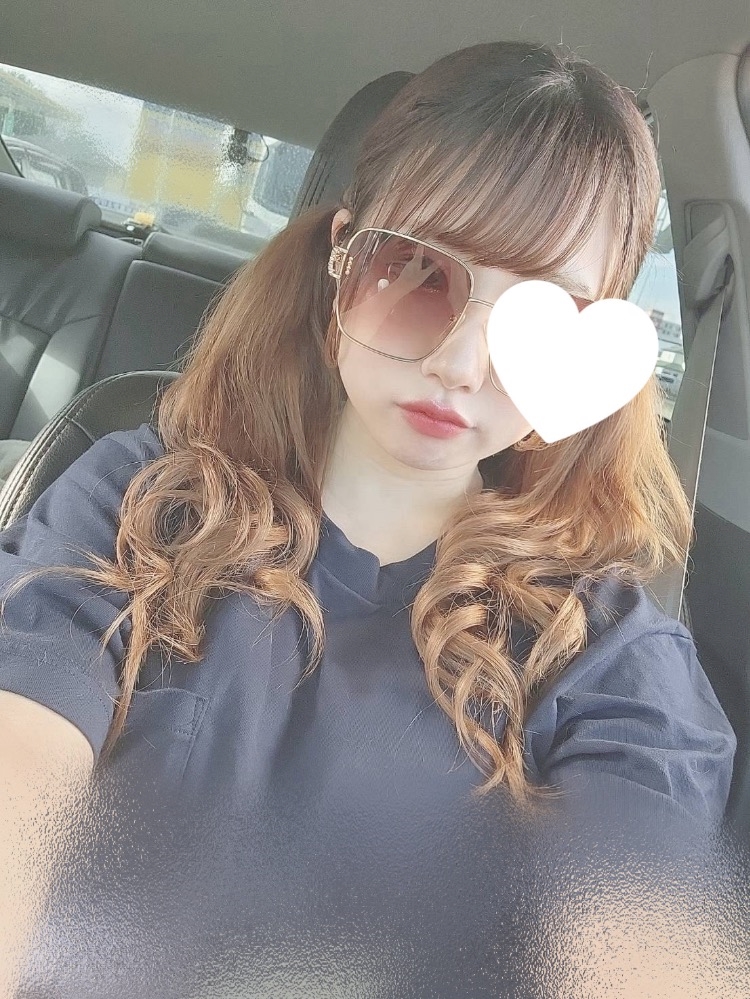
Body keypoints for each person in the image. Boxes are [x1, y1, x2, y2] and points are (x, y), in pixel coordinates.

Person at [0, 40, 738, 999]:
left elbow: (639, 933)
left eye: (541, 315)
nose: (460, 366)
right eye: (418, 273)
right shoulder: (139, 503)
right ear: (342, 262)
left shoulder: (606, 654)